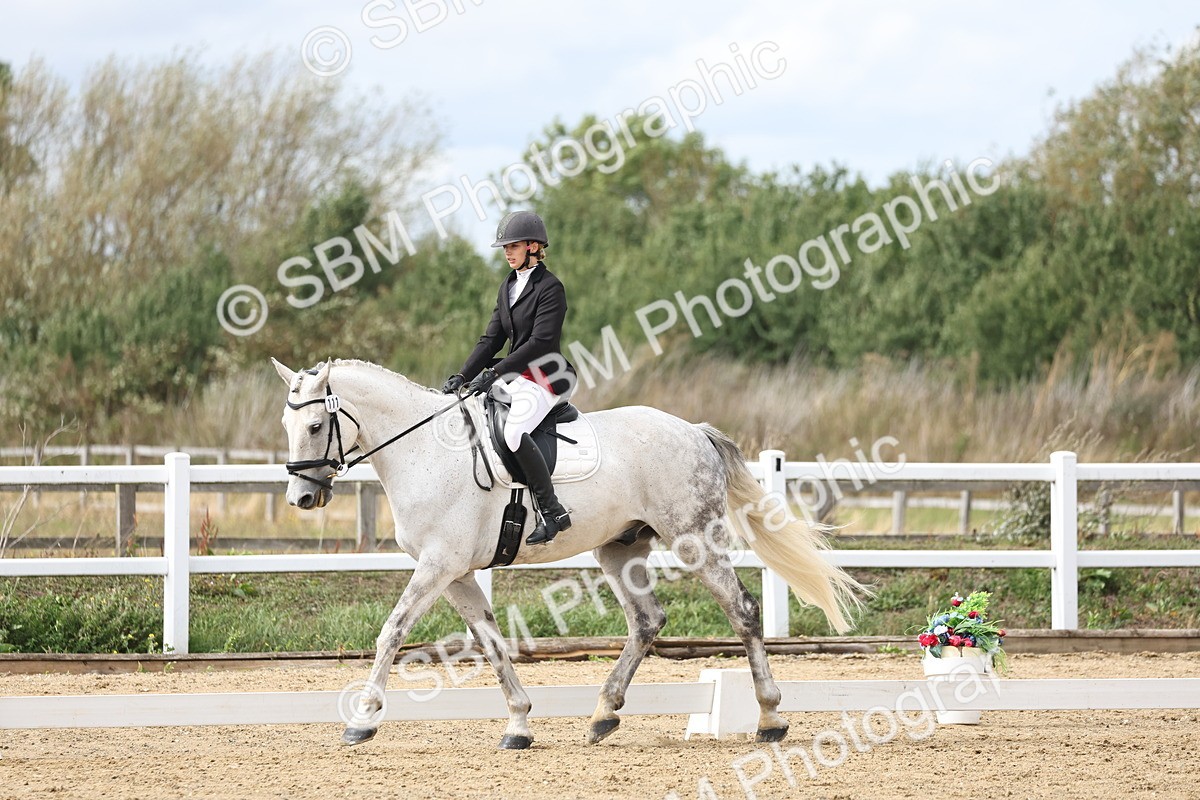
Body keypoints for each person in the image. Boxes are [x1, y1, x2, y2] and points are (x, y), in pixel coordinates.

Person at [442, 210, 578, 546]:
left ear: (533, 246)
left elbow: (540, 343)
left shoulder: (551, 288)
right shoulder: (507, 286)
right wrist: (463, 375)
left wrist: (495, 373)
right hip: (515, 374)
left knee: (515, 430)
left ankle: (552, 511)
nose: (507, 252)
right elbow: (491, 340)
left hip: (546, 375)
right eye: (504, 247)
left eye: (513, 246)